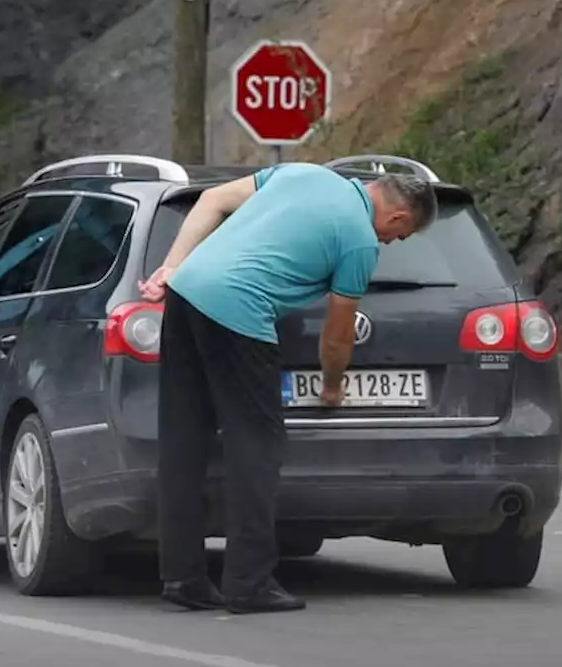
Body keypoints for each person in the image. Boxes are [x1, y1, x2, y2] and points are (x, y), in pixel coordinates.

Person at [138, 162, 438, 614]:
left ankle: (182, 576)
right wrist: (332, 388)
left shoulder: (302, 172)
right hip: (238, 312)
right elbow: (338, 336)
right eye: (400, 235)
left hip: (186, 293)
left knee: (185, 440)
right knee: (257, 447)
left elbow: (211, 200)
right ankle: (248, 583)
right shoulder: (359, 240)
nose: (391, 242)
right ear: (397, 217)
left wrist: (171, 268)